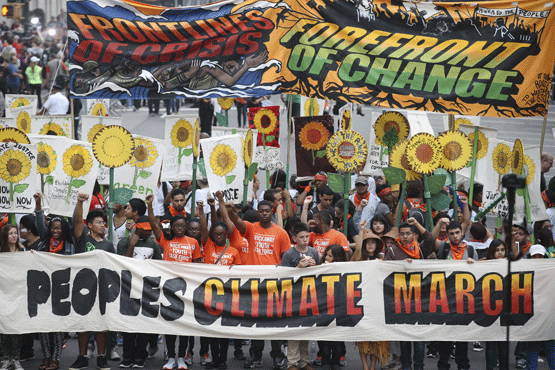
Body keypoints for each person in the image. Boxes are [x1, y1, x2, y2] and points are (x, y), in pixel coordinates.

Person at [228, 200, 290, 370]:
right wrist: (231, 210)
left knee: (274, 322)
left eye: (267, 211)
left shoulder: (281, 232)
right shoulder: (251, 228)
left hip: (274, 285)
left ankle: (277, 355)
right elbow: (237, 222)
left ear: (272, 212)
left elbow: (287, 258)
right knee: (256, 322)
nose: (264, 214)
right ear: (257, 212)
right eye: (261, 211)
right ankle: (256, 354)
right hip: (254, 284)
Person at [146, 194, 201, 370]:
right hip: (169, 288)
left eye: (182, 226)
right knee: (170, 325)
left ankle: (182, 358)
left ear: (186, 227)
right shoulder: (165, 240)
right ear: (172, 226)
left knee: (184, 326)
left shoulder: (193, 242)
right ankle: (170, 357)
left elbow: (198, 265)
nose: (179, 228)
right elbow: (154, 225)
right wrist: (150, 206)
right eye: (176, 225)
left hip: (187, 290)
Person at [69, 193, 114, 370]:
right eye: (98, 222)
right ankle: (82, 357)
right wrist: (80, 202)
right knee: (84, 323)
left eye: (103, 223)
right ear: (89, 225)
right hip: (82, 288)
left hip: (101, 289)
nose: (102, 225)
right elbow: (77, 222)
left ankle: (102, 357)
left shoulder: (109, 245)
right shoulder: (83, 238)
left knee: (101, 324)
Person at [384, 218, 434, 370]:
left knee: (419, 338)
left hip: (420, 300)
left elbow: (431, 239)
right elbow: (385, 273)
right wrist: (401, 267)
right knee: (405, 338)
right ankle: (406, 365)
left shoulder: (420, 249)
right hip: (401, 300)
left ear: (414, 236)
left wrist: (417, 224)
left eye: (408, 234)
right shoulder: (393, 251)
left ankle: (419, 366)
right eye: (402, 234)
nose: (405, 237)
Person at [116, 216, 162, 368]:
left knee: (143, 325)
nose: (150, 234)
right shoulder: (124, 242)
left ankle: (140, 356)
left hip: (147, 289)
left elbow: (158, 266)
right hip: (129, 288)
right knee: (129, 325)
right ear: (138, 229)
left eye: (151, 231)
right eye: (146, 231)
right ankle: (127, 356)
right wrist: (132, 245)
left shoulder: (153, 244)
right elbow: (124, 264)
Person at [352, 221, 389, 370]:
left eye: (374, 242)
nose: (371, 245)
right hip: (362, 301)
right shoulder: (359, 260)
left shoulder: (382, 261)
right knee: (363, 337)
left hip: (378, 303)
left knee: (376, 338)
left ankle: (373, 366)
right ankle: (365, 366)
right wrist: (361, 231)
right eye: (368, 243)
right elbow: (356, 254)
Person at [280, 222, 318, 370]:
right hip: (293, 296)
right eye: (301, 237)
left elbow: (321, 274)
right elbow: (282, 275)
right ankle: (292, 362)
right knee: (295, 329)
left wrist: (315, 267)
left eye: (307, 236)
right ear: (294, 238)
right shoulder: (289, 254)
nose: (305, 239)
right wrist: (298, 268)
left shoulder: (314, 252)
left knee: (306, 329)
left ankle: (304, 361)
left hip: (309, 295)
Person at [318, 244, 348, 370]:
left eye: (331, 256)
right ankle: (325, 360)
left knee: (336, 333)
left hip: (338, 305)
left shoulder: (345, 268)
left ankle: (336, 359)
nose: (327, 258)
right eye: (327, 255)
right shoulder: (320, 267)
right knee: (324, 334)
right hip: (323, 306)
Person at [0, 224, 25, 370]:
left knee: (16, 328)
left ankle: (15, 359)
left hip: (18, 294)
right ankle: (5, 359)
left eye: (16, 233)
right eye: (10, 233)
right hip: (4, 293)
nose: (14, 236)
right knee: (4, 329)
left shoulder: (23, 251)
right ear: (5, 236)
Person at [481, 239, 509, 370]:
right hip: (489, 309)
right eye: (497, 250)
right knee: (491, 343)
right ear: (492, 251)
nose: (500, 253)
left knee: (504, 345)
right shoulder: (484, 264)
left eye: (502, 250)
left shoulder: (511, 264)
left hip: (505, 310)